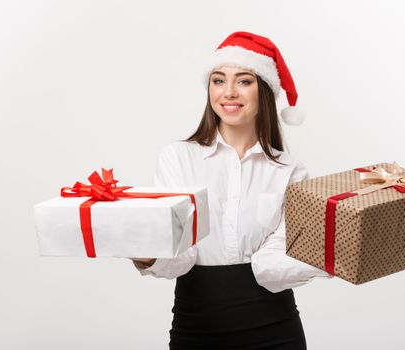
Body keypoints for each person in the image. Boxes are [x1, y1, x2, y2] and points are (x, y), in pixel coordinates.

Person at [131, 31, 332, 349]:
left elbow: (273, 266)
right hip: (197, 327)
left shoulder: (291, 171)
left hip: (276, 331)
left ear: (264, 90)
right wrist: (148, 253)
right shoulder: (178, 158)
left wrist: (331, 257)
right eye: (218, 80)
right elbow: (183, 257)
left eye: (244, 81)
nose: (228, 93)